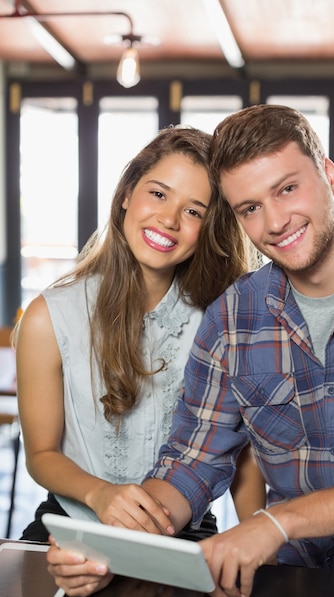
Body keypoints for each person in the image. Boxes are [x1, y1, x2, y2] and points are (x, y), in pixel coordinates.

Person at [47, 103, 334, 597]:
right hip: (291, 586)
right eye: (250, 208)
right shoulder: (232, 317)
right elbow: (191, 464)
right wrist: (110, 550)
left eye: (287, 188)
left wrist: (275, 523)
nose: (276, 221)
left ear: (329, 174)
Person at [14, 125, 265, 546]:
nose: (168, 219)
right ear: (128, 193)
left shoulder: (221, 321)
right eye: (159, 193)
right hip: (73, 527)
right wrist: (101, 494)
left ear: (209, 226)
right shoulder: (49, 317)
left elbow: (244, 456)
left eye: (194, 211)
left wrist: (261, 542)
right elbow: (41, 455)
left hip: (186, 535)